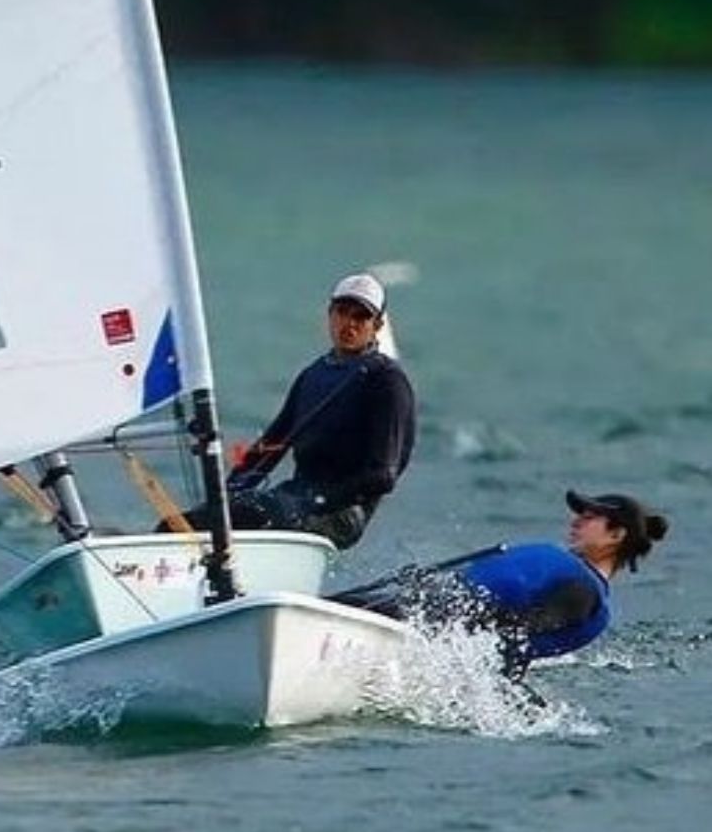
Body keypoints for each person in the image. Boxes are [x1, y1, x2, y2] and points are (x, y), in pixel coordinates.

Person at [333, 489, 670, 678]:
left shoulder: (584, 592)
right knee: (342, 604)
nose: (577, 520)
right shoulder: (565, 564)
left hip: (441, 621)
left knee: (344, 609)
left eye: (590, 516)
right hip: (431, 605)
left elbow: (519, 635)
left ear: (616, 534)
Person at [220, 271, 416, 548]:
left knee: (261, 514)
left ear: (377, 325)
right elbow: (271, 445)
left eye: (360, 317)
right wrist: (227, 493)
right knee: (195, 520)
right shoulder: (313, 375)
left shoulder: (387, 381)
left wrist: (317, 501)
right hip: (291, 500)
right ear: (329, 314)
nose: (349, 324)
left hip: (342, 513)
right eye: (342, 312)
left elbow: (382, 476)